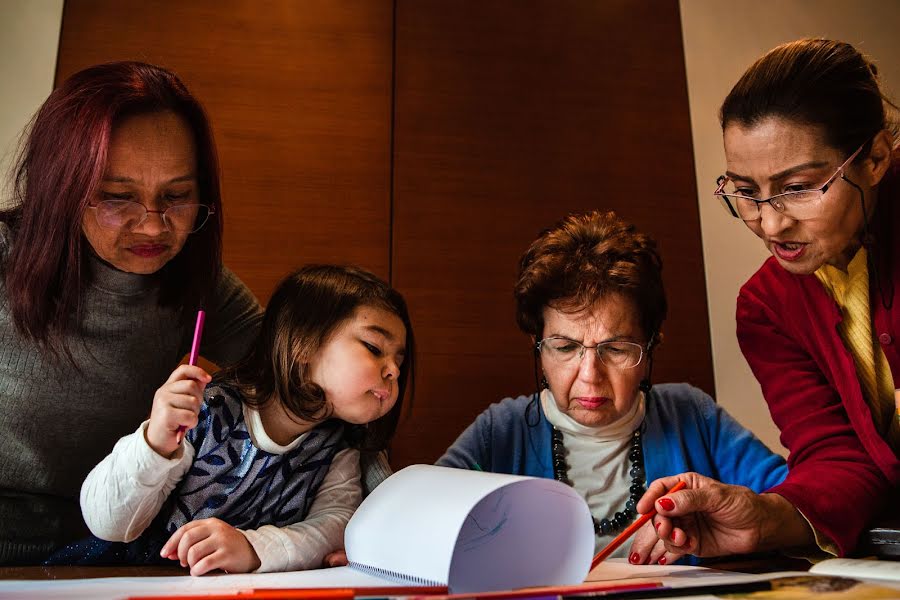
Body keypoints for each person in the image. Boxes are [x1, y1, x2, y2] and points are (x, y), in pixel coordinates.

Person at [634, 38, 900, 562]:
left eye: (798, 187)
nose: (772, 223)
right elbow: (839, 458)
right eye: (747, 192)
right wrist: (763, 517)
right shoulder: (767, 306)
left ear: (875, 157)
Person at [0, 61, 264, 564]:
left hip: (117, 553)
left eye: (177, 196)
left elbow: (311, 378)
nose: (152, 227)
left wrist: (357, 520)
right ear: (61, 189)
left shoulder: (196, 281)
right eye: (118, 197)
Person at [437, 210, 787, 565]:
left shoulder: (691, 415)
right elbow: (422, 522)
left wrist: (742, 517)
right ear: (538, 348)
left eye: (616, 349)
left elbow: (795, 508)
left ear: (650, 348)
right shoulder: (500, 431)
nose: (590, 375)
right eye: (565, 347)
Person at [47, 264, 415, 575]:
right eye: (374, 348)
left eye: (398, 360)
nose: (393, 371)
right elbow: (108, 523)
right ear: (303, 344)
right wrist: (155, 442)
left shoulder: (338, 445)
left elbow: (334, 526)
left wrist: (252, 548)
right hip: (133, 574)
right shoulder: (207, 410)